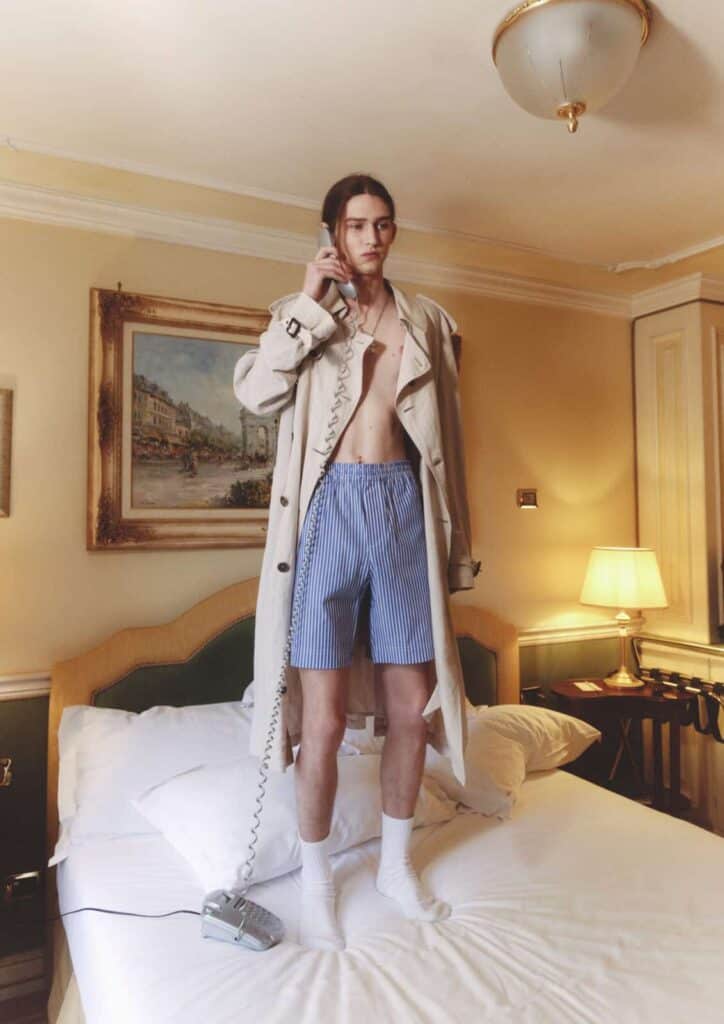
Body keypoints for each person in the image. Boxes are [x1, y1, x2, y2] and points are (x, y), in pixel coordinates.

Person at [233, 172, 480, 952]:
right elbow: (256, 395)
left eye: (382, 224)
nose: (371, 237)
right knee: (325, 721)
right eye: (356, 225)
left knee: (412, 710)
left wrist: (460, 549)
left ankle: (395, 867)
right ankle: (314, 877)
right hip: (329, 511)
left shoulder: (429, 321)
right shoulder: (301, 318)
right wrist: (310, 301)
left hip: (403, 512)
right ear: (332, 234)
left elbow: (452, 447)